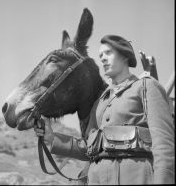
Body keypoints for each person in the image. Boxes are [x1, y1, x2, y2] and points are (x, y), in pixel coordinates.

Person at [34, 35, 174, 185]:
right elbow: (88, 148)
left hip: (137, 177)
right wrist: (52, 137)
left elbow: (164, 145)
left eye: (108, 53)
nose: (103, 58)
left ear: (125, 56)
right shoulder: (100, 102)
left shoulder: (146, 87)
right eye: (100, 55)